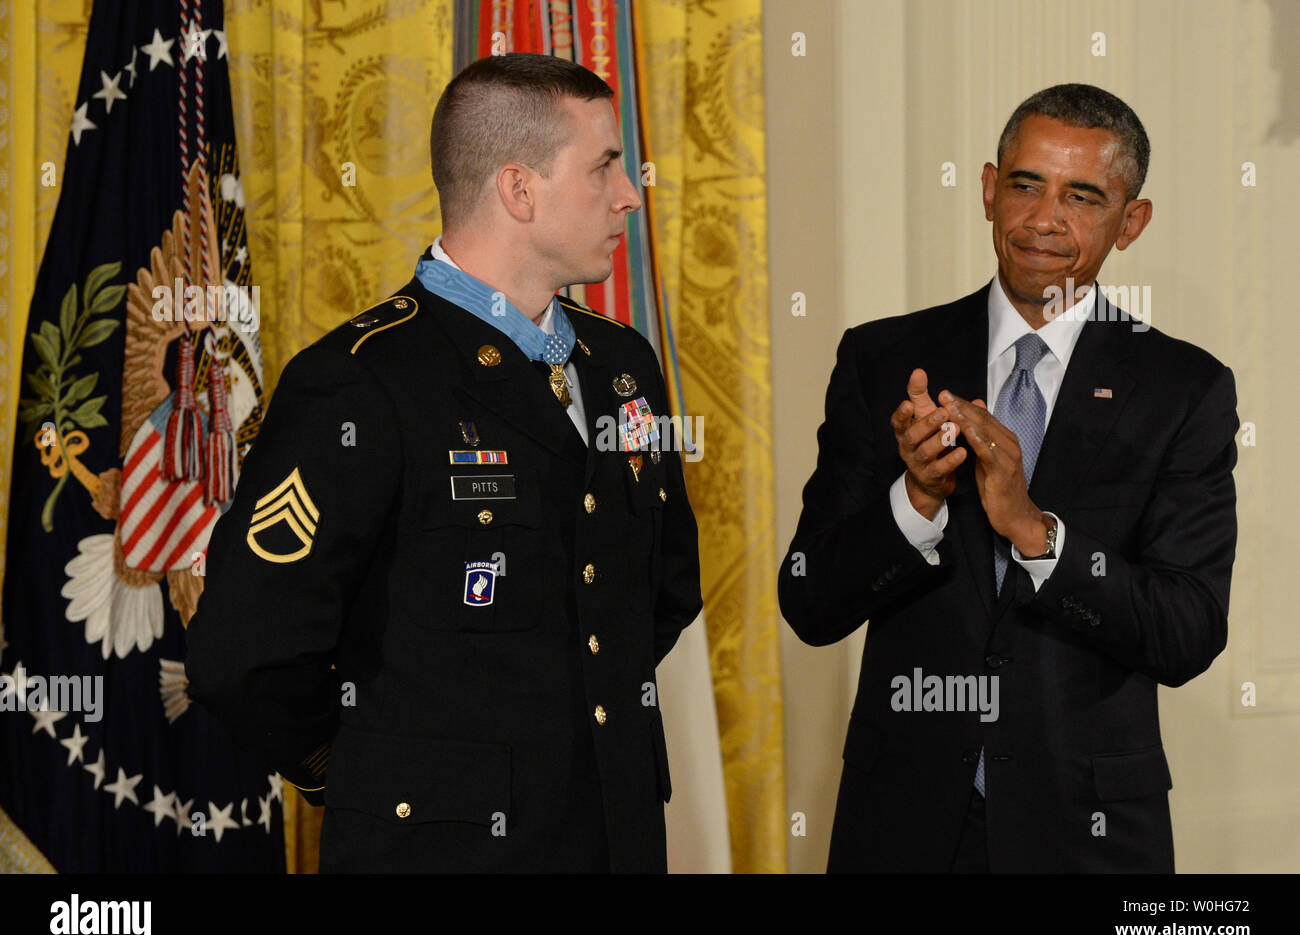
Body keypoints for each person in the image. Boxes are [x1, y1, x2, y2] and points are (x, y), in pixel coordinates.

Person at [186, 52, 702, 873]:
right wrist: (362, 767)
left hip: (614, 835)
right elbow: (242, 656)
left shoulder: (622, 365)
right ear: (518, 188)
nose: (629, 194)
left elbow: (661, 590)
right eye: (604, 165)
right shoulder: (360, 380)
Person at [779, 84, 1237, 873]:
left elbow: (1187, 631)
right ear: (989, 191)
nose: (1044, 218)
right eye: (1026, 184)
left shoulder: (1183, 388)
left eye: (1083, 196)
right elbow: (809, 600)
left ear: (1131, 223)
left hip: (1088, 832)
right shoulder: (884, 359)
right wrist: (914, 501)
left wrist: (1035, 532)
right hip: (902, 825)